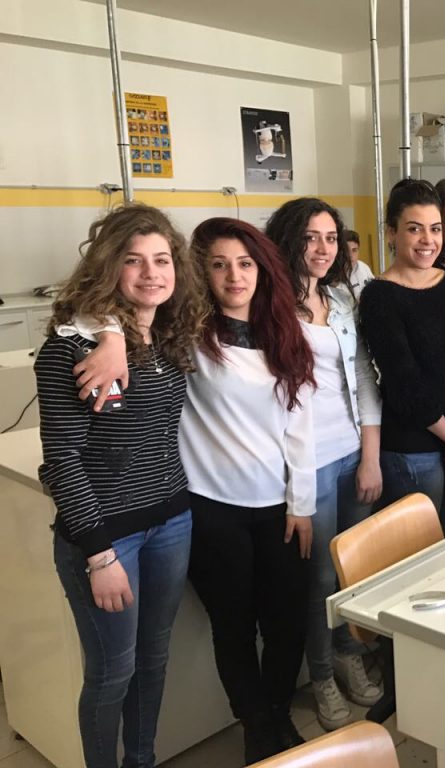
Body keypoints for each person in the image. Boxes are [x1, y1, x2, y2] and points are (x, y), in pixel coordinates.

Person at [71, 218, 320, 763]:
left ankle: (278, 715)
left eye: (245, 264)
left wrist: (302, 503)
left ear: (262, 270)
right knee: (234, 627)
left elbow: (300, 427)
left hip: (280, 506)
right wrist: (110, 336)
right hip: (212, 509)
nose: (234, 276)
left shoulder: (285, 333)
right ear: (200, 273)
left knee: (286, 623)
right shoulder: (186, 334)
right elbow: (97, 308)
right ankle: (258, 730)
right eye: (219, 264)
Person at [35, 204, 207, 768]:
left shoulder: (169, 336)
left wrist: (115, 331)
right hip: (109, 539)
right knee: (113, 672)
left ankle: (142, 760)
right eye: (134, 261)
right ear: (109, 265)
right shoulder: (70, 349)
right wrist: (99, 554)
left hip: (171, 521)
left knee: (153, 659)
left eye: (162, 260)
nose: (151, 273)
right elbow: (62, 460)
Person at [265, 198, 383, 731]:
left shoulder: (339, 297)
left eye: (331, 238)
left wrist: (370, 455)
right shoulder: (269, 305)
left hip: (352, 451)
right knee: (318, 578)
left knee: (349, 568)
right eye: (311, 237)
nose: (322, 248)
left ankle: (347, 653)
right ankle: (321, 677)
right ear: (289, 240)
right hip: (307, 462)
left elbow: (363, 378)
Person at [360, 179, 445, 535]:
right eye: (414, 229)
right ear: (391, 232)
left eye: (435, 228)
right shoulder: (379, 296)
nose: (427, 240)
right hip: (412, 449)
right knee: (419, 554)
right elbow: (404, 383)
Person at [341, 229, 375, 299]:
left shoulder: (363, 267)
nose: (350, 255)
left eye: (354, 250)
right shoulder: (333, 276)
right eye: (346, 251)